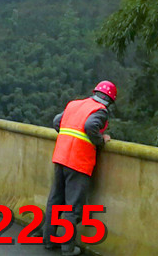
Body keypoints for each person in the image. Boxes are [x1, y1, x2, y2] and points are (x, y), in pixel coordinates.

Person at [43, 80, 115, 255]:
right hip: (78, 161)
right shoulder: (100, 110)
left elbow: (57, 121)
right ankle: (67, 248)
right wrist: (100, 141)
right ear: (110, 100)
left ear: (95, 92)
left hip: (61, 156)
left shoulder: (75, 104)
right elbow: (90, 126)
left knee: (55, 200)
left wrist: (68, 139)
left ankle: (48, 240)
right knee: (72, 207)